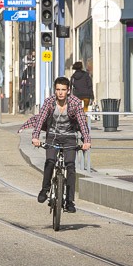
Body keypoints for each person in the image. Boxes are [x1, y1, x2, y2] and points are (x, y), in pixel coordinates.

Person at [21, 76, 91, 212]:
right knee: (50, 161)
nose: (60, 92)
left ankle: (70, 201)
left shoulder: (75, 103)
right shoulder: (49, 102)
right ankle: (45, 190)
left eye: (63, 90)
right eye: (58, 89)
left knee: (70, 166)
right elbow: (40, 120)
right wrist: (35, 137)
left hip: (70, 137)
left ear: (68, 90)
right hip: (52, 136)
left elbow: (82, 122)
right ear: (55, 90)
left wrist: (86, 141)